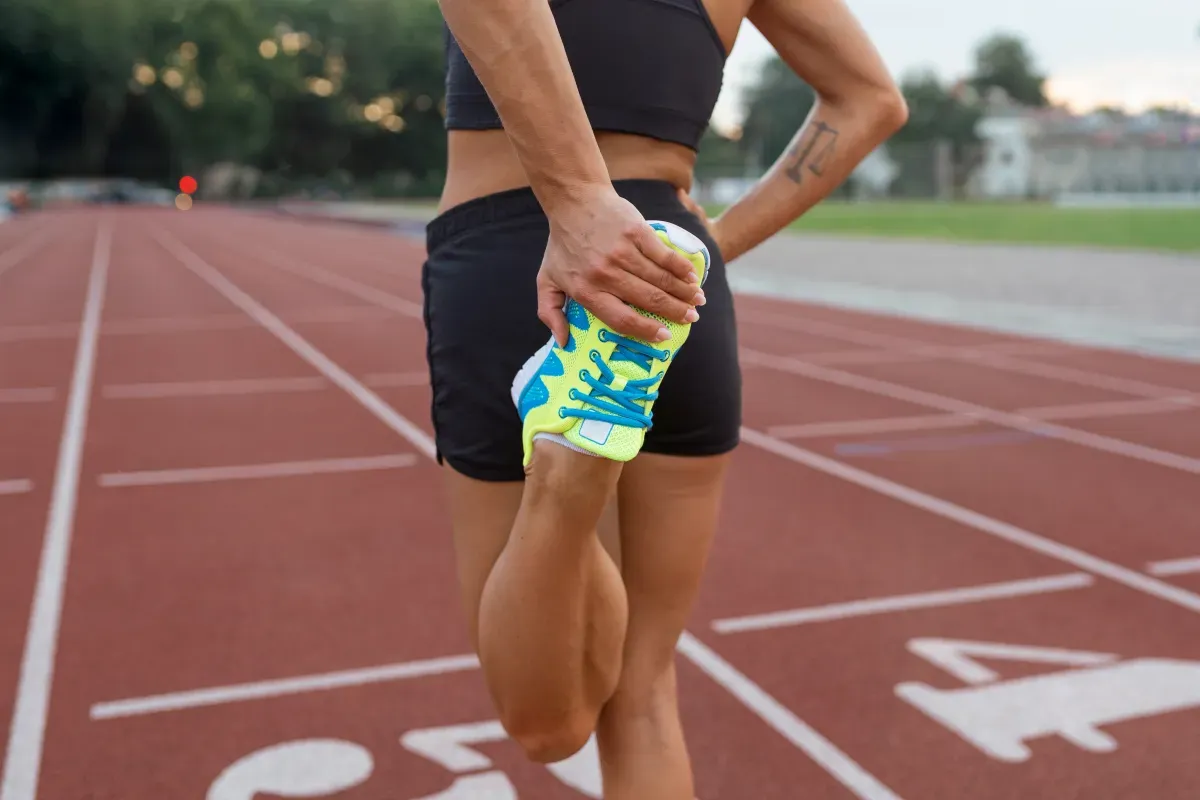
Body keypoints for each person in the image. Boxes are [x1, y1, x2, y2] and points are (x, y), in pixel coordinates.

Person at [422, 0, 907, 794]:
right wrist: (709, 248)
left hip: (519, 243)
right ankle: (586, 430)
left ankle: (569, 458)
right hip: (672, 274)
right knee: (642, 692)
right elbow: (872, 101)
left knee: (547, 722)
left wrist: (579, 202)